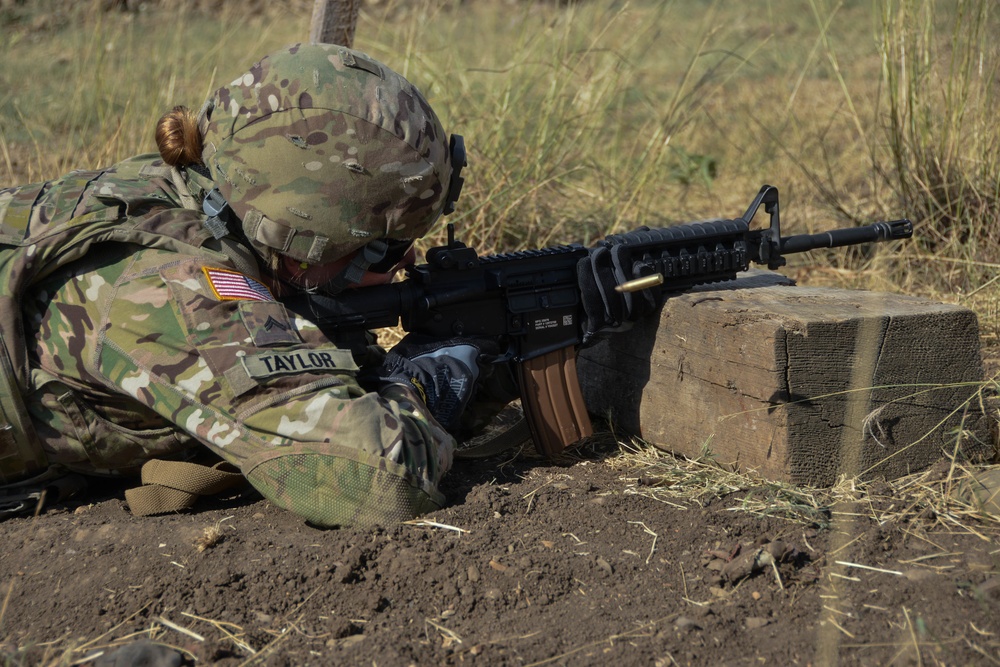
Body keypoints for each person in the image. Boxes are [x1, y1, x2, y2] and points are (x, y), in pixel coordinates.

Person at [0, 42, 514, 527]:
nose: (409, 262)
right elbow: (381, 479)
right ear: (309, 241)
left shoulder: (209, 186)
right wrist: (421, 384)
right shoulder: (178, 293)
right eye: (390, 248)